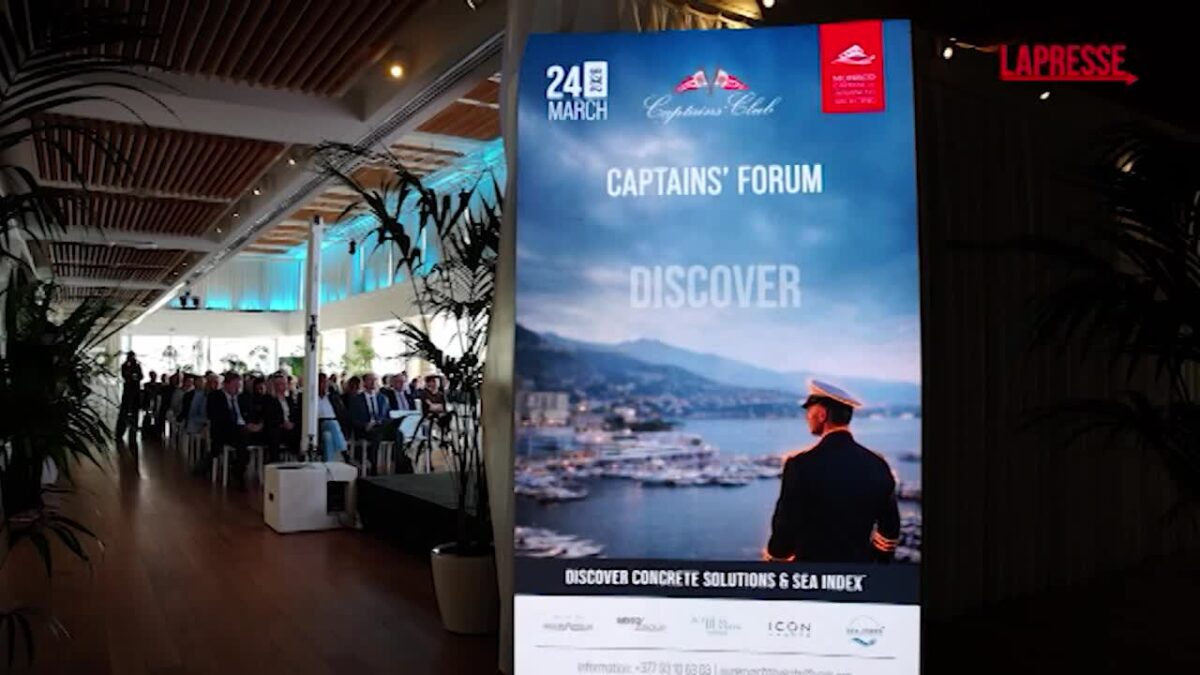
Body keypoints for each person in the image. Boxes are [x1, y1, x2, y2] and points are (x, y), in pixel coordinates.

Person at [766, 380, 901, 563]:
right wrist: (875, 561)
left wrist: (777, 558)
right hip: (859, 571)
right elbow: (890, 529)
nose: (807, 417)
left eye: (809, 411)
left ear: (822, 415)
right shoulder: (878, 464)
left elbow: (784, 529)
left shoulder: (800, 465)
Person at [207, 372, 250, 488]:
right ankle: (238, 471)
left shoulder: (242, 398)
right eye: (234, 385)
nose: (237, 388)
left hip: (243, 429)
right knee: (242, 437)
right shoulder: (215, 397)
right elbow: (216, 418)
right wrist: (239, 426)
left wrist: (253, 424)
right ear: (225, 384)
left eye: (239, 385)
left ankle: (238, 467)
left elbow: (249, 414)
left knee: (250, 435)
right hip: (224, 431)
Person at [347, 372, 389, 474]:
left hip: (381, 427)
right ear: (364, 382)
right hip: (365, 430)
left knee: (398, 434)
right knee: (376, 434)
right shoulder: (356, 399)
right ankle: (373, 466)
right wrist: (364, 425)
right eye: (370, 380)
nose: (373, 382)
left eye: (375, 380)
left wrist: (382, 422)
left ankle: (400, 463)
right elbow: (353, 418)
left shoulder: (383, 398)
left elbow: (387, 416)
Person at [115, 351, 143, 437]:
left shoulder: (137, 366)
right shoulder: (125, 366)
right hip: (128, 391)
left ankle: (132, 431)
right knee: (125, 411)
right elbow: (125, 376)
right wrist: (132, 376)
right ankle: (120, 432)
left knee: (134, 412)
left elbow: (141, 376)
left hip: (135, 391)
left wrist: (135, 377)